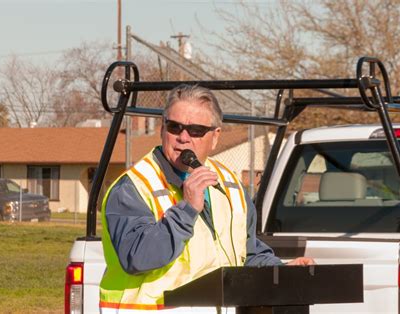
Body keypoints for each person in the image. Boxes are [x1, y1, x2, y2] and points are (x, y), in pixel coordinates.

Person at [99, 84, 314, 313]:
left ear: (215, 137)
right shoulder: (133, 188)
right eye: (174, 127)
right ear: (162, 130)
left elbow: (246, 252)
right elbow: (139, 257)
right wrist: (187, 210)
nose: (183, 138)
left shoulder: (229, 184)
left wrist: (282, 269)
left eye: (196, 130)